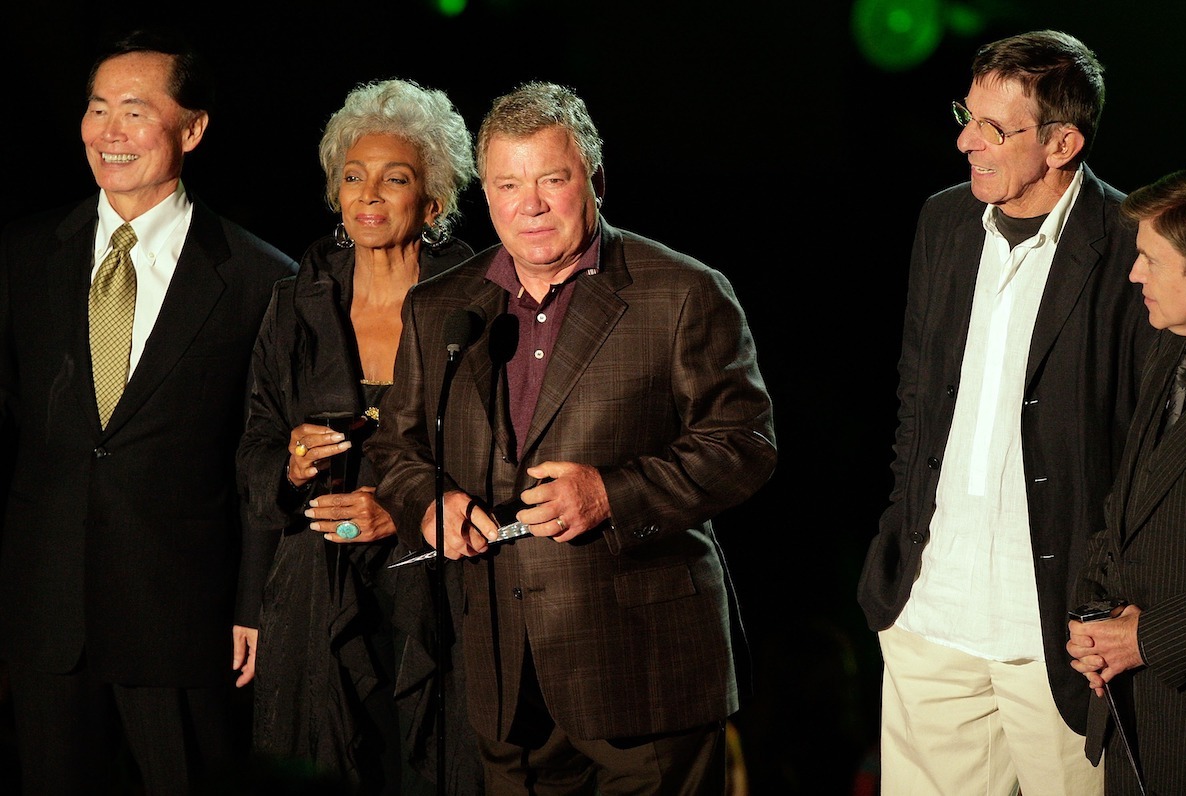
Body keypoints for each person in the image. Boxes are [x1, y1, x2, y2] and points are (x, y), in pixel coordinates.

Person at [364, 80, 777, 795]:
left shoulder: (682, 292)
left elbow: (744, 445)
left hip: (645, 675)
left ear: (595, 180)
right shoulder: (440, 310)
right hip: (503, 674)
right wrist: (428, 505)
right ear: (485, 196)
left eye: (552, 180)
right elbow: (395, 453)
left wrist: (612, 495)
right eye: (508, 184)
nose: (531, 204)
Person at [856, 29, 1156, 795]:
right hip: (930, 617)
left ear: (1063, 143)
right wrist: (899, 552)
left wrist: (1120, 602)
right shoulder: (945, 222)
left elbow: (1146, 445)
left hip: (1055, 634)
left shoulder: (1129, 245)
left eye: (994, 127)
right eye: (968, 114)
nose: (965, 140)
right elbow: (916, 397)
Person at [0, 26, 297, 795]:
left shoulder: (261, 281)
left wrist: (254, 605)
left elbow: (262, 452)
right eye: (98, 109)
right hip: (48, 621)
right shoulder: (25, 259)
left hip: (186, 625)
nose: (109, 133)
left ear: (192, 128)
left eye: (135, 111)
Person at [236, 78, 482, 794]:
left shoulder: (477, 302)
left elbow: (501, 455)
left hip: (435, 591)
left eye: (394, 178)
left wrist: (401, 511)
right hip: (314, 595)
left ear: (432, 202)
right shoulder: (295, 301)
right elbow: (252, 444)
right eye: (353, 176)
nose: (368, 194)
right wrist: (289, 461)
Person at [1066, 164, 1186, 796]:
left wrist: (1148, 639)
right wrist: (1095, 618)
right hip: (1136, 718)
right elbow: (1128, 503)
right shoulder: (1169, 349)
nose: (1132, 275)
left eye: (1151, 260)